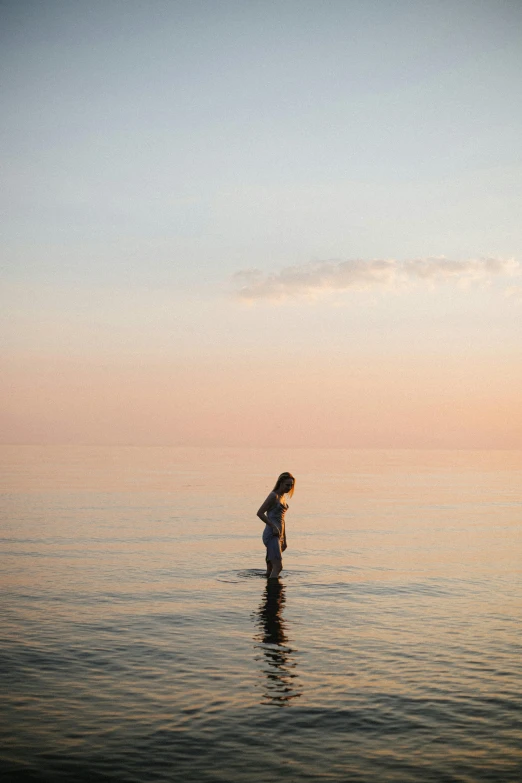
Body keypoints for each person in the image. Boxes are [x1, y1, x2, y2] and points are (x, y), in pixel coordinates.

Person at [257, 472, 295, 579]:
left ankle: (268, 591)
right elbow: (260, 513)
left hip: (278, 535)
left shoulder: (282, 497)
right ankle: (275, 593)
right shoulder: (273, 496)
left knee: (270, 568)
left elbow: (282, 520)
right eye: (287, 485)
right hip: (271, 534)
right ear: (281, 483)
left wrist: (284, 539)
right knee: (278, 566)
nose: (289, 487)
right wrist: (273, 526)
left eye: (291, 485)